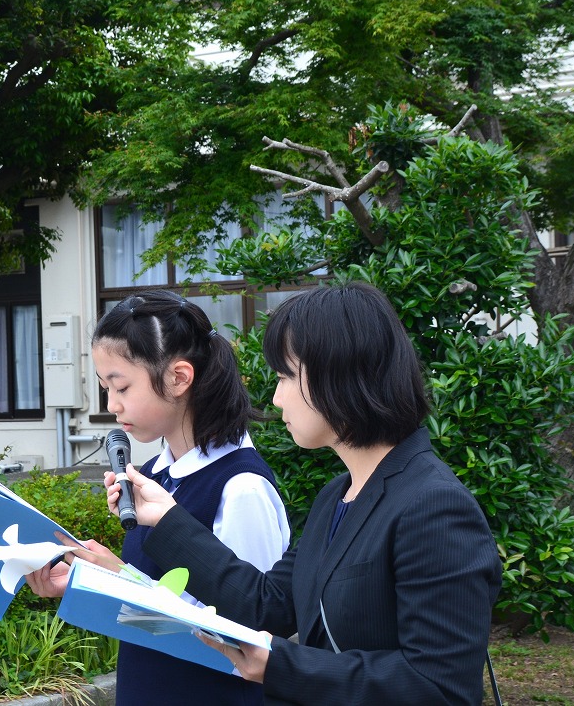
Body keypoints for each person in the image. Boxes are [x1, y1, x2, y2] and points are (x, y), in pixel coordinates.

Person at [84, 282, 502, 705]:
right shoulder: (337, 496)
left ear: (340, 373)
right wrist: (165, 521)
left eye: (286, 376)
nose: (277, 397)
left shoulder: (434, 506)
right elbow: (267, 606)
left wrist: (282, 665)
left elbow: (440, 687)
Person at [26, 290, 290, 706]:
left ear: (179, 378)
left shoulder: (242, 487)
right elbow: (163, 612)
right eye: (105, 388)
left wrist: (120, 581)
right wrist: (102, 579)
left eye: (121, 387)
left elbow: (246, 636)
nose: (112, 405)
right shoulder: (153, 476)